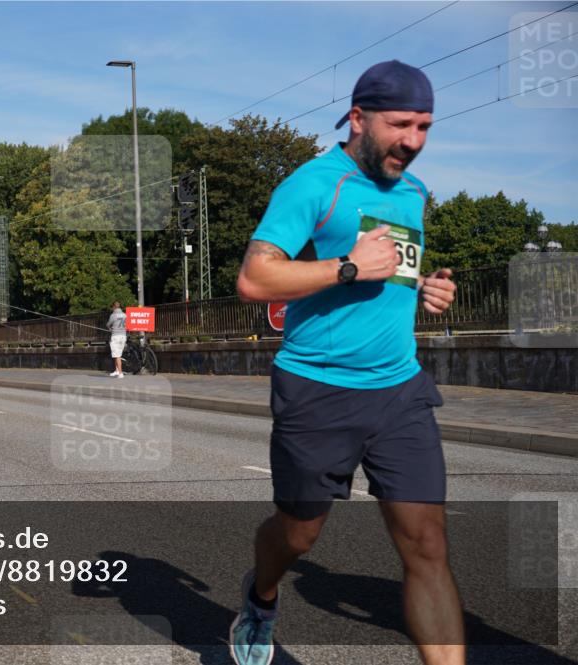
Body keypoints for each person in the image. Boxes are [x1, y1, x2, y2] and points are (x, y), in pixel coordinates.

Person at [229, 60, 460, 665]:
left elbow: (393, 273)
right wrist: (347, 267)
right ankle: (260, 595)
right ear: (358, 119)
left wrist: (425, 290)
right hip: (318, 388)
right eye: (401, 124)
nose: (414, 141)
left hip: (399, 389)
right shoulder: (312, 184)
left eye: (426, 127)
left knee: (427, 546)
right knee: (300, 535)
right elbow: (254, 279)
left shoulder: (413, 192)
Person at [106, 301, 127, 378]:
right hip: (123, 336)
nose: (112, 309)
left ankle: (120, 373)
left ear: (114, 307)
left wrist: (110, 328)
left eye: (112, 307)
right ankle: (116, 370)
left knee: (117, 355)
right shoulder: (125, 315)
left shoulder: (113, 315)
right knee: (116, 354)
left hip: (116, 336)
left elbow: (108, 324)